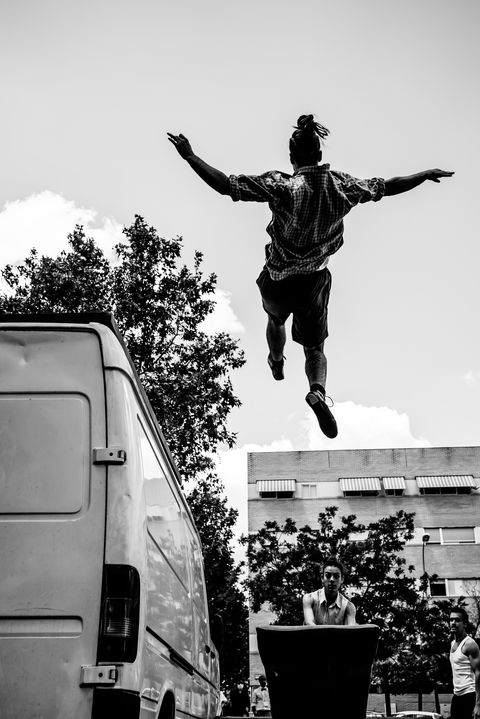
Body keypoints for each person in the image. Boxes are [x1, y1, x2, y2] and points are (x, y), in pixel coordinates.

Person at [168, 117, 453, 438]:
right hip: (313, 281)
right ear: (319, 155)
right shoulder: (343, 185)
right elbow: (388, 186)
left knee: (275, 320)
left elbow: (225, 185)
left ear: (292, 158)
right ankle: (317, 390)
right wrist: (423, 175)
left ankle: (276, 360)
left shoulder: (281, 185)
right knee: (315, 348)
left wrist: (190, 156)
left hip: (277, 278)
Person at [303, 556, 356, 625]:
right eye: (328, 576)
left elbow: (351, 629)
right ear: (322, 578)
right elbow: (310, 624)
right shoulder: (309, 599)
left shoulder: (348, 607)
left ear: (342, 579)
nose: (332, 579)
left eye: (336, 576)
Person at [449, 606, 480, 719]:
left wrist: (478, 704)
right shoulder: (452, 643)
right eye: (451, 620)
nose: (453, 623)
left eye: (457, 620)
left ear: (465, 624)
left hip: (469, 695)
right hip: (456, 696)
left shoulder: (470, 644)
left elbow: (479, 673)